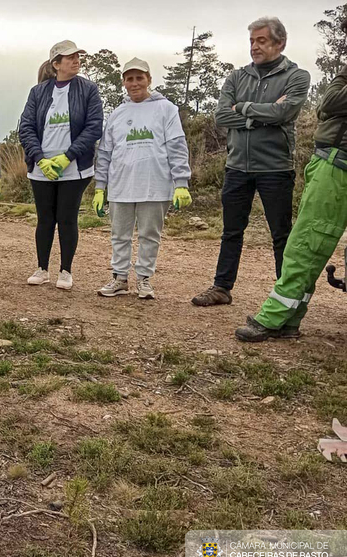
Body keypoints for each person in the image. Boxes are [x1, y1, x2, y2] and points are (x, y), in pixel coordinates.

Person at [236, 25, 347, 342]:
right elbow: (329, 103)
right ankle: (288, 318)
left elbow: (331, 102)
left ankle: (273, 318)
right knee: (309, 243)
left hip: (338, 165)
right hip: (330, 159)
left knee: (307, 244)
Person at [192, 17, 311, 307]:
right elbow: (221, 116)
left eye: (261, 40)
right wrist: (263, 115)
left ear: (279, 43)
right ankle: (221, 287)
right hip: (237, 167)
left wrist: (243, 108)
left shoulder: (297, 76)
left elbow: (285, 114)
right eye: (252, 41)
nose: (255, 47)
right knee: (231, 231)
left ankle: (288, 296)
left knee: (281, 234)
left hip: (276, 168)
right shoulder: (236, 77)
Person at [93, 58, 192, 300]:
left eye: (140, 78)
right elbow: (105, 152)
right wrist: (99, 187)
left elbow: (177, 146)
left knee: (150, 234)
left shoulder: (166, 108)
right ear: (124, 82)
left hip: (156, 184)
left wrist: (181, 183)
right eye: (130, 79)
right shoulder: (117, 113)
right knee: (119, 234)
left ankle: (144, 279)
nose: (135, 83)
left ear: (149, 79)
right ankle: (120, 278)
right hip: (121, 184)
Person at [19, 40, 103, 290]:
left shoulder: (88, 89)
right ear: (56, 64)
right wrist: (40, 158)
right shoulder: (38, 92)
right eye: (69, 58)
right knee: (45, 219)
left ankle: (65, 270)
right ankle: (42, 268)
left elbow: (93, 127)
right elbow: (26, 128)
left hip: (75, 168)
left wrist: (68, 156)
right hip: (42, 168)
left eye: (78, 56)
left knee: (67, 218)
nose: (76, 60)